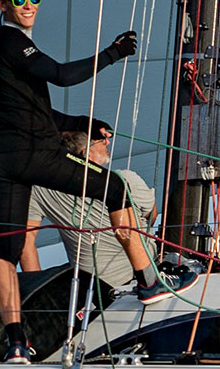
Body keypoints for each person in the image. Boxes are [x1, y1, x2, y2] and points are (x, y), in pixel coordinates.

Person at [0, 0, 177, 364]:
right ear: (2, 5)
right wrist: (113, 53)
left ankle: (17, 344)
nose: (28, 5)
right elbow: (61, 75)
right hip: (35, 155)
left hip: (1, 160)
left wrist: (81, 124)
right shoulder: (11, 42)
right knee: (115, 188)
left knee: (8, 247)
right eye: (18, 0)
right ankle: (149, 282)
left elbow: (34, 111)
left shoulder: (3, 51)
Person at [21, 121, 159, 305]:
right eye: (100, 140)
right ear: (85, 153)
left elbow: (25, 244)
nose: (107, 142)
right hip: (144, 276)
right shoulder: (124, 179)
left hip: (92, 292)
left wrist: (37, 297)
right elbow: (152, 215)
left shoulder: (40, 191)